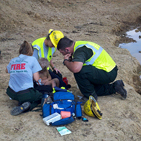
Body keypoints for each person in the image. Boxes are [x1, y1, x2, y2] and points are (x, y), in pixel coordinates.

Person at [57, 37, 127, 101]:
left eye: (62, 52)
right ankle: (115, 87)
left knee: (80, 72)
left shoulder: (80, 51)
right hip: (109, 70)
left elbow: (76, 68)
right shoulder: (79, 45)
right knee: (90, 88)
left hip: (107, 72)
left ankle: (90, 97)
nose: (62, 55)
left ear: (67, 50)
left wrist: (66, 61)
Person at [6, 41, 43, 116]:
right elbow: (36, 78)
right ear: (30, 51)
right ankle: (27, 106)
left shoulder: (13, 60)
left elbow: (7, 70)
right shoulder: (32, 59)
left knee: (23, 96)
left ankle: (21, 102)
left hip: (11, 92)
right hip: (25, 93)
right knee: (40, 96)